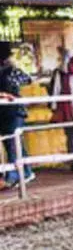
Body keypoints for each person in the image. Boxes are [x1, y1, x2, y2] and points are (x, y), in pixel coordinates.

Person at [0, 42, 35, 187]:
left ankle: (15, 175)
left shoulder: (7, 71)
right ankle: (25, 171)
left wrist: (6, 94)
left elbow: (12, 88)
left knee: (13, 143)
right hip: (11, 112)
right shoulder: (12, 69)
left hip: (11, 112)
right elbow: (28, 79)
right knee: (15, 142)